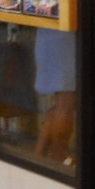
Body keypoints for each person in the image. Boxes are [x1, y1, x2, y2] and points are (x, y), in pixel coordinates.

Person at [34, 28, 77, 163]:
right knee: (66, 106)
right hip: (65, 42)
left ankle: (38, 156)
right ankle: (58, 157)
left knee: (61, 105)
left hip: (49, 38)